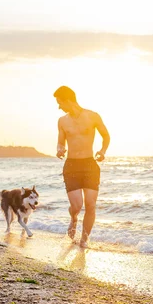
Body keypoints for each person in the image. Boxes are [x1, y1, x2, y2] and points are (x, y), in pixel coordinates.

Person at [54, 86, 110, 248]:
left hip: (89, 165)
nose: (59, 107)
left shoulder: (93, 116)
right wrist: (59, 149)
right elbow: (60, 141)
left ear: (68, 100)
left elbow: (106, 135)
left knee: (91, 205)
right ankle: (73, 218)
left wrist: (102, 150)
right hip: (71, 165)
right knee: (77, 206)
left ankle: (84, 240)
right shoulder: (62, 121)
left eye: (60, 103)